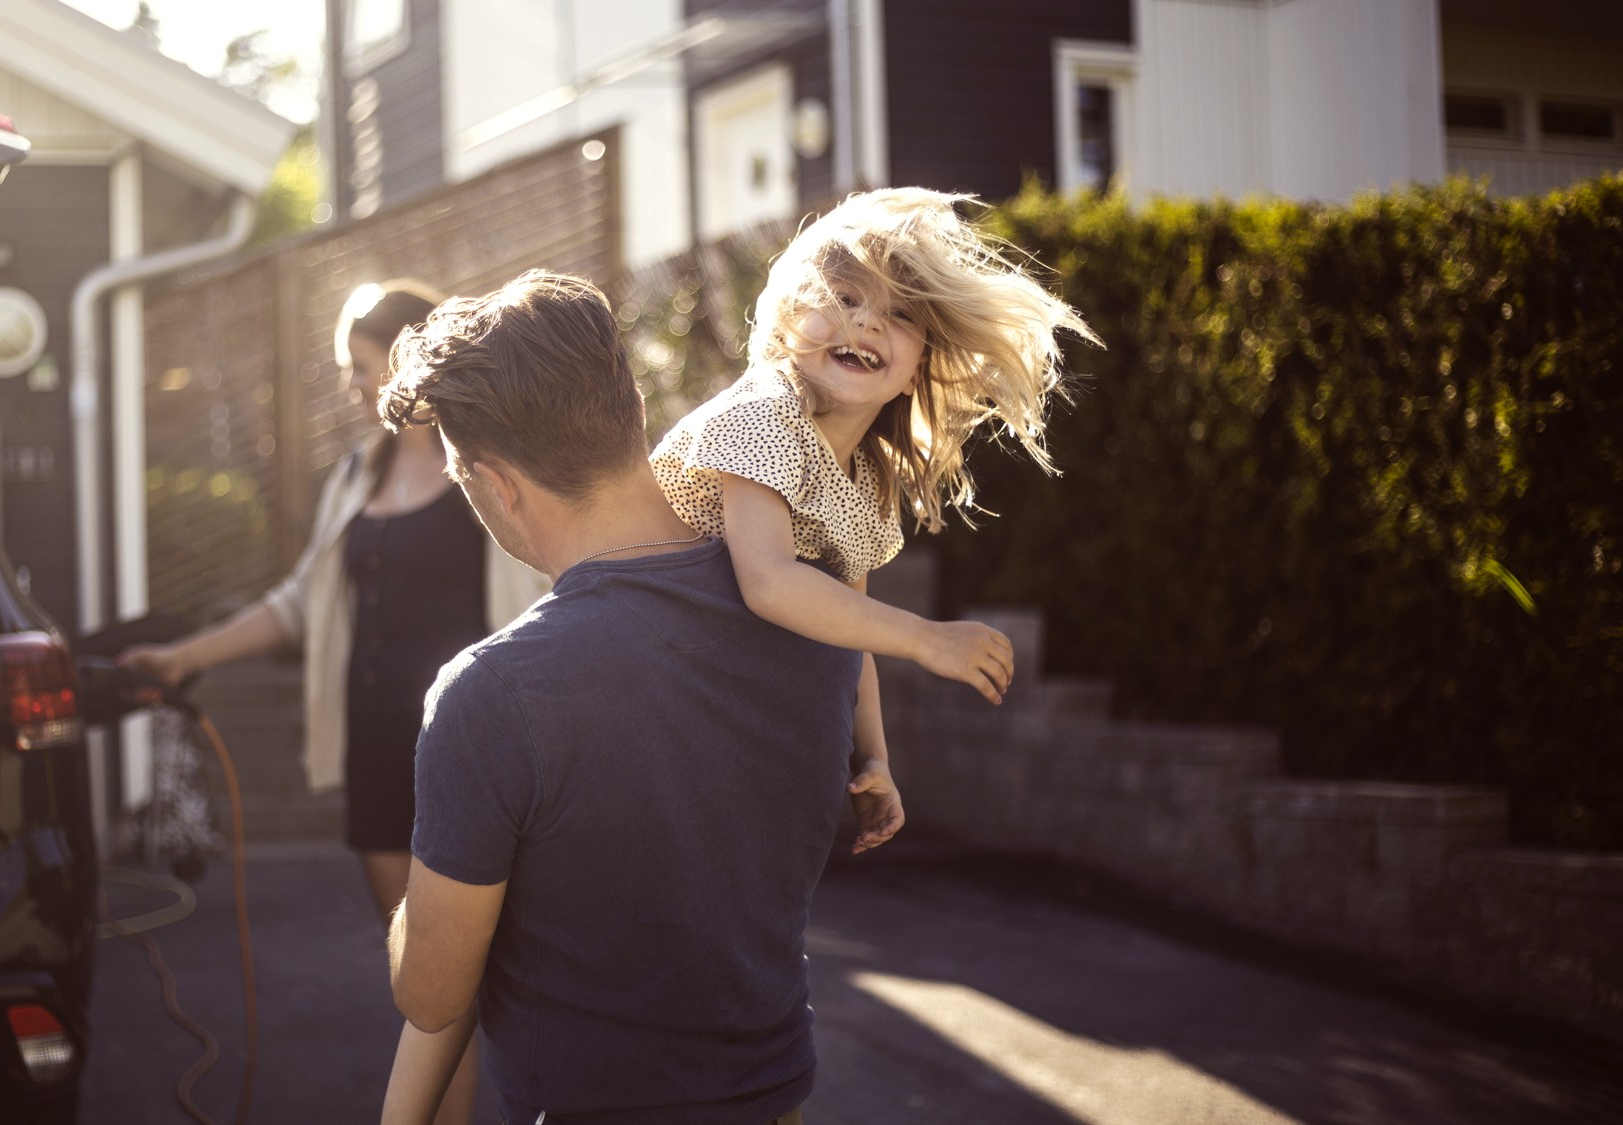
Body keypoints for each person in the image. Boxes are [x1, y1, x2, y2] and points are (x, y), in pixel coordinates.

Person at [379, 271, 884, 1125]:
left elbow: (429, 992)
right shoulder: (821, 613)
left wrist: (437, 890)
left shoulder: (493, 693)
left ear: (497, 484)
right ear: (634, 413)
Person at [122, 280, 543, 1125]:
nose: (351, 383)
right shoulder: (356, 473)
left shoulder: (493, 462)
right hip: (380, 754)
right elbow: (299, 603)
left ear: (410, 355)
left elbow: (551, 587)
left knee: (500, 972)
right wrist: (184, 656)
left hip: (480, 751)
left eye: (359, 364)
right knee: (426, 984)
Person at [650, 187, 1096, 842]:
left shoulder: (864, 484)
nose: (865, 322)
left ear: (916, 372)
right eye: (844, 297)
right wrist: (928, 639)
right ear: (789, 323)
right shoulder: (762, 411)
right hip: (636, 665)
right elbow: (769, 581)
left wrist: (876, 760)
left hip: (711, 708)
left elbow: (849, 631)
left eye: (899, 314)